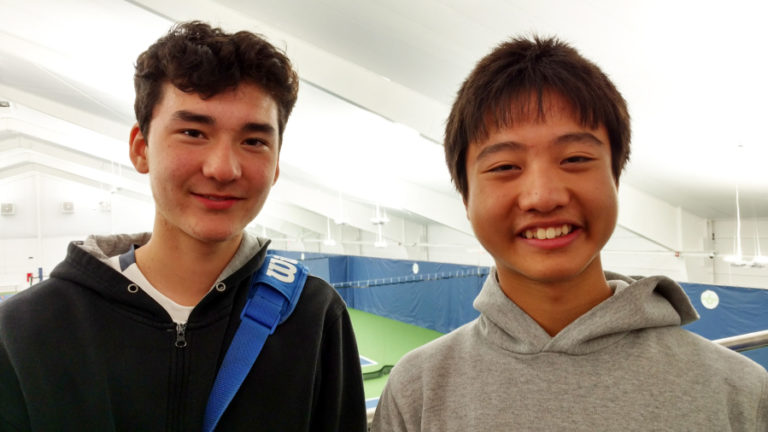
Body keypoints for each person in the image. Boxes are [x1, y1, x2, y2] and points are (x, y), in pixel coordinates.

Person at [372, 36, 768, 431]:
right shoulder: (417, 390)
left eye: (576, 158)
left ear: (616, 176)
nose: (543, 196)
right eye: (505, 166)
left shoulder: (741, 393)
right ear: (465, 196)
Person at [0, 21, 366, 431]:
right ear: (141, 149)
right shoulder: (24, 332)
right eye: (193, 132)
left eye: (254, 142)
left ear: (277, 164)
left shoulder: (313, 318)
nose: (223, 168)